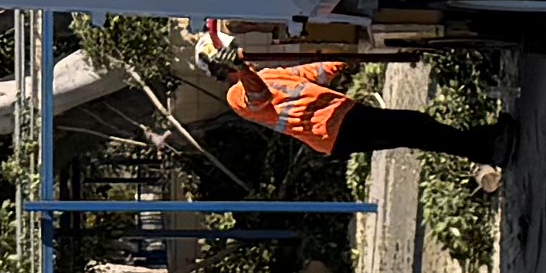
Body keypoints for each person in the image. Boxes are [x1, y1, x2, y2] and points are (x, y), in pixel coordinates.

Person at [217, 51, 519, 170]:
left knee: (416, 129)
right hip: (332, 128)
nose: (246, 57)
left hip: (339, 120)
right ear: (226, 66)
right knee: (415, 127)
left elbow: (313, 74)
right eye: (238, 56)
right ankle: (486, 148)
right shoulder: (237, 95)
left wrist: (344, 56)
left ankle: (483, 146)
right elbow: (259, 96)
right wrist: (243, 69)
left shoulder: (267, 73)